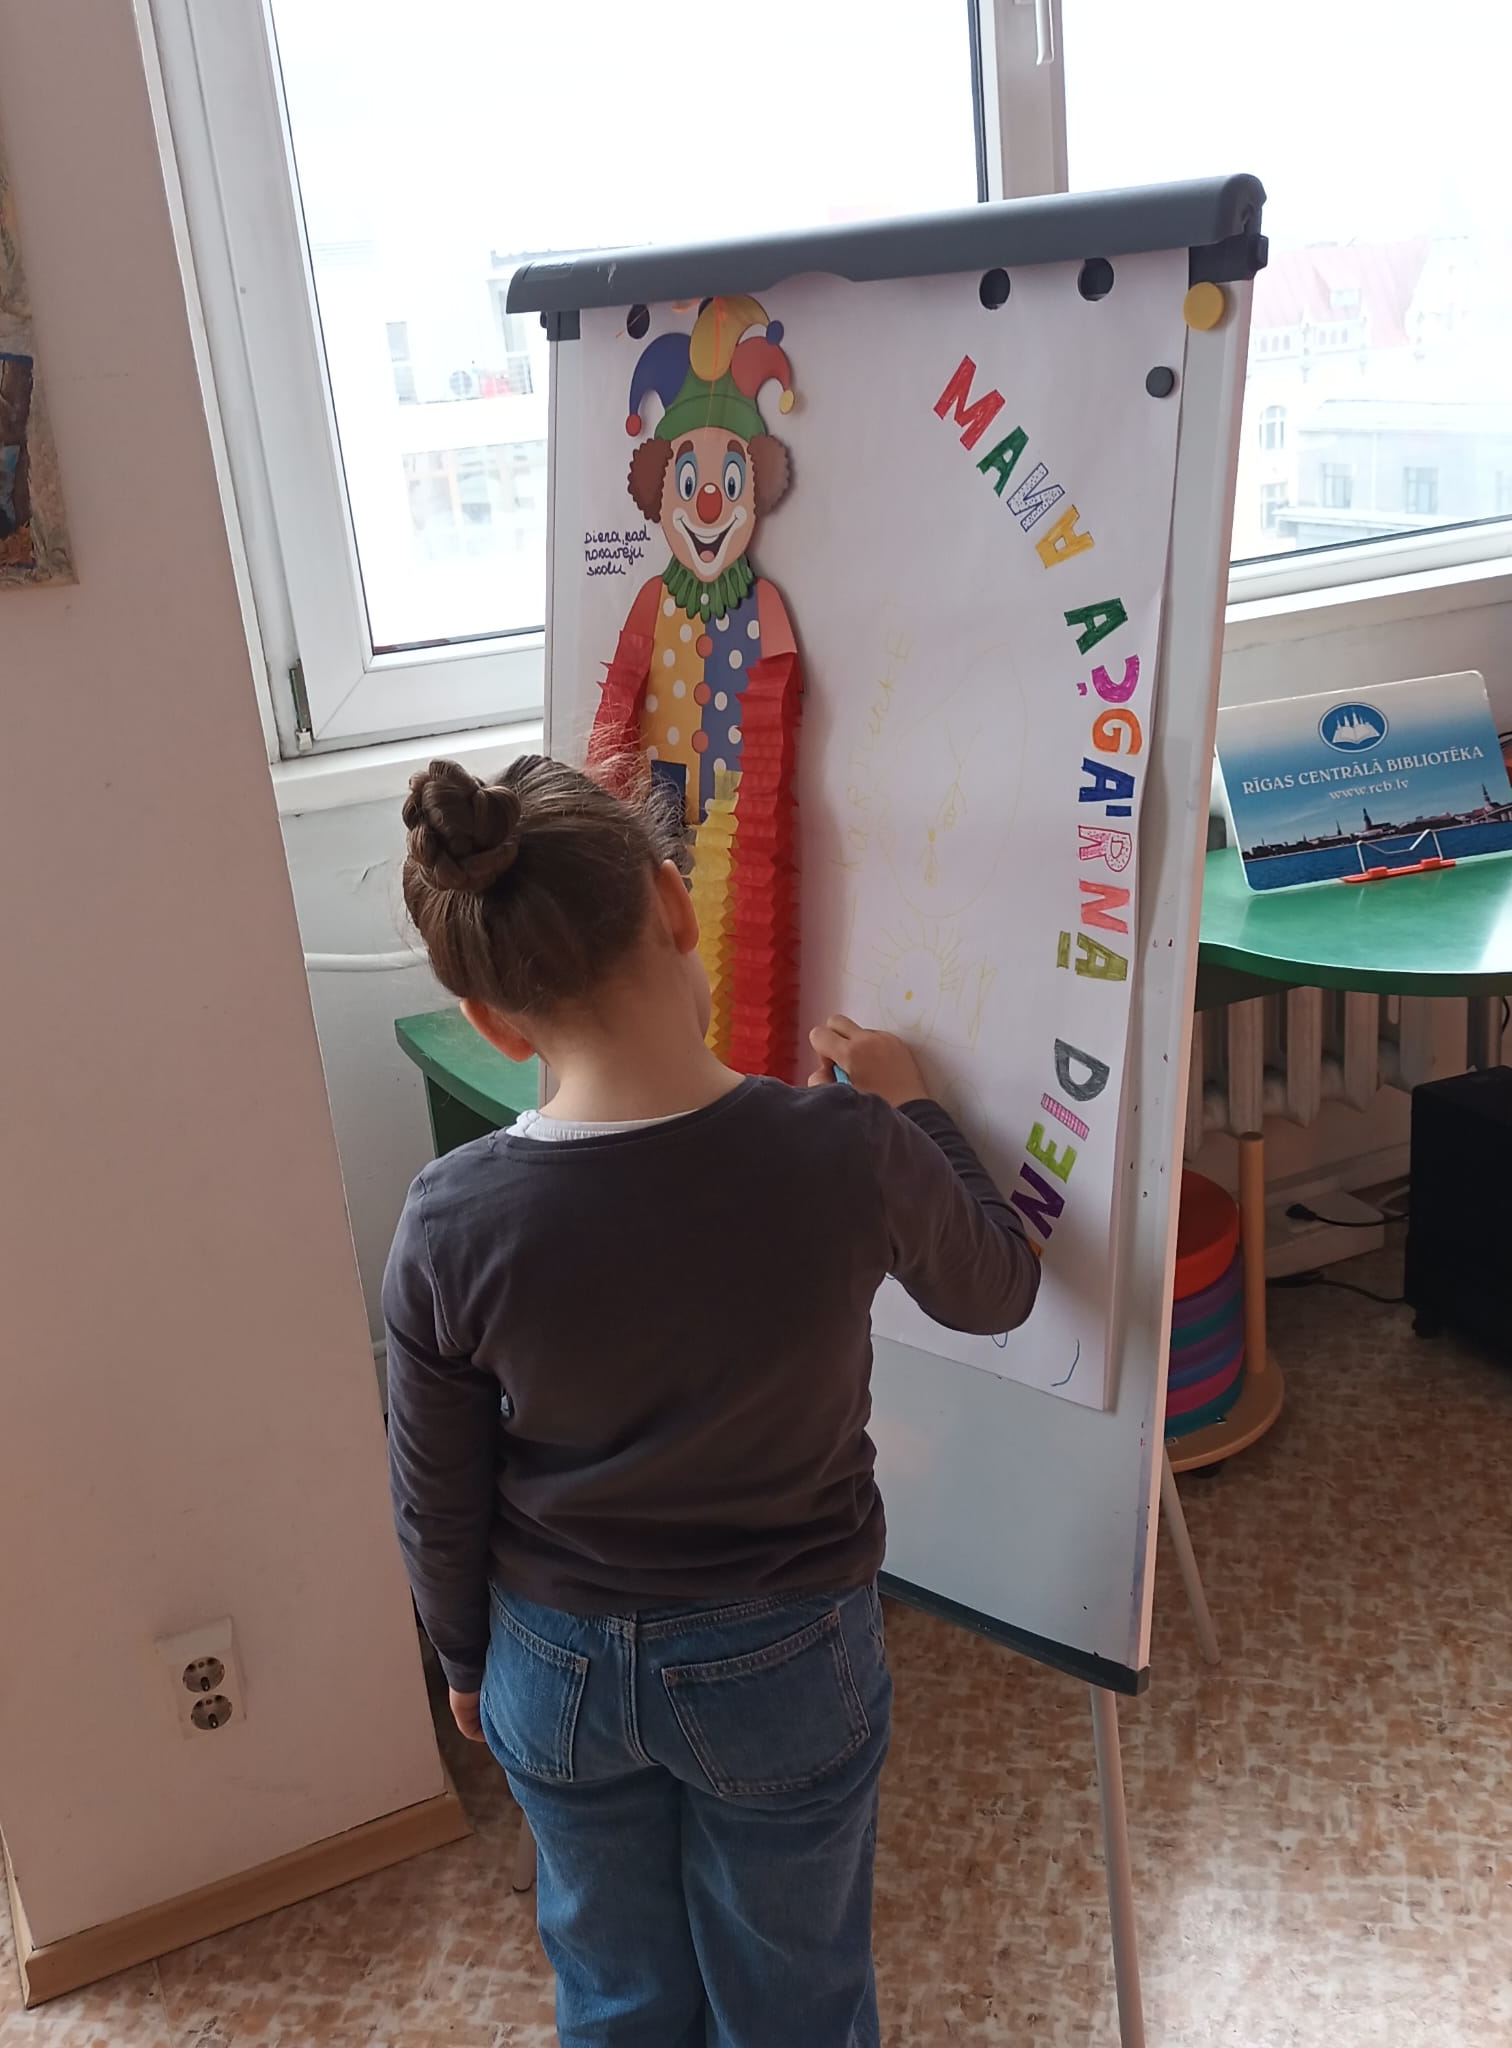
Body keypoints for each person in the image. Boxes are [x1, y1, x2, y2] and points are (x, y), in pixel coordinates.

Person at [383, 754, 1040, 2048]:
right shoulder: (848, 1149)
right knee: (793, 1997)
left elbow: (436, 1486)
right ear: (677, 905)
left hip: (553, 1664)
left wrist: (463, 1656)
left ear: (491, 1023)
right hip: (784, 1656)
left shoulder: (448, 1218)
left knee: (615, 1989)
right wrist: (913, 1109)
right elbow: (997, 1290)